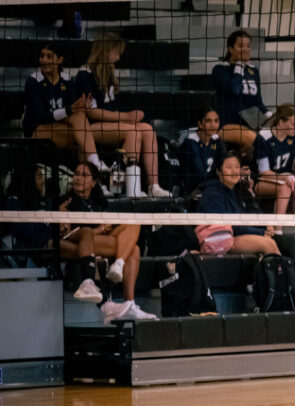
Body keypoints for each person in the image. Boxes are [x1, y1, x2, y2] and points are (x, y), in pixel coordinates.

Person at [75, 33, 172, 198]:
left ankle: (153, 186)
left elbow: (111, 107)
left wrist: (130, 117)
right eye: (116, 52)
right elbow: (91, 112)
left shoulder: (108, 73)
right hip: (89, 127)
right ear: (106, 51)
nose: (118, 57)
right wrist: (126, 117)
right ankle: (128, 187)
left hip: (107, 124)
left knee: (147, 130)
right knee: (132, 131)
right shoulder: (85, 74)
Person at [59, 162, 156, 324]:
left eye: (84, 175)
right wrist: (98, 230)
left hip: (98, 241)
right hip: (81, 241)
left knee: (134, 223)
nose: (78, 178)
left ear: (94, 182)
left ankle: (120, 270)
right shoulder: (67, 201)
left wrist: (106, 227)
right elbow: (69, 234)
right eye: (76, 173)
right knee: (133, 250)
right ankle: (125, 289)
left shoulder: (97, 202)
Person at [23, 43, 106, 172]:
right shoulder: (33, 81)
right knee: (83, 138)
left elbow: (74, 112)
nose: (43, 60)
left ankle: (93, 165)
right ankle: (94, 170)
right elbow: (40, 116)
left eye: (49, 56)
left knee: (79, 119)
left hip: (61, 127)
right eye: (42, 56)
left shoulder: (68, 80)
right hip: (37, 130)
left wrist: (81, 106)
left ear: (60, 60)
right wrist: (69, 110)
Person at [196, 153, 279, 255]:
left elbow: (250, 216)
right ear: (218, 171)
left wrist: (265, 226)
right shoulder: (212, 194)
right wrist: (259, 232)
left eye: (237, 167)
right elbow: (228, 226)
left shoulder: (238, 191)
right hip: (222, 240)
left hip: (238, 234)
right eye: (229, 167)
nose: (234, 171)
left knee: (287, 243)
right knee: (268, 244)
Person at [212, 29, 270, 155]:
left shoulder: (253, 71)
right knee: (254, 140)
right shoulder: (220, 70)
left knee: (274, 136)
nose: (245, 49)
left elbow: (258, 102)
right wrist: (239, 66)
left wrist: (271, 116)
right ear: (230, 49)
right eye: (240, 46)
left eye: (248, 46)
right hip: (226, 124)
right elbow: (235, 89)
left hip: (249, 124)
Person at [253, 104, 295, 216]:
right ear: (281, 122)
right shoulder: (263, 137)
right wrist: (287, 177)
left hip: (285, 177)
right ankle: (278, 229)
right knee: (285, 187)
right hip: (262, 181)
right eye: (293, 124)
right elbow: (264, 173)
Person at [180, 108, 227, 195]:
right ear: (200, 124)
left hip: (211, 186)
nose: (213, 125)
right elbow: (200, 175)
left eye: (216, 121)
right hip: (192, 190)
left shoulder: (216, 140)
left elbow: (225, 163)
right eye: (208, 121)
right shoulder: (191, 141)